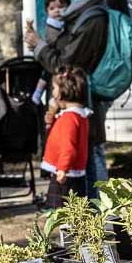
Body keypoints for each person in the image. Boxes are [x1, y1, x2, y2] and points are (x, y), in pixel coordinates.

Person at [24, 0, 127, 194]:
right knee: (90, 161)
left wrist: (39, 46)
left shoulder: (92, 18)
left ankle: (100, 221)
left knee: (88, 164)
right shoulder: (88, 13)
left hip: (84, 103)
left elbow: (65, 65)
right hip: (86, 102)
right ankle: (98, 221)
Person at [39, 69, 90, 209]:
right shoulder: (79, 116)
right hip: (73, 173)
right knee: (74, 212)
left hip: (65, 174)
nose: (52, 92)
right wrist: (51, 121)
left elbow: (68, 146)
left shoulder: (69, 118)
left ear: (64, 91)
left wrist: (62, 168)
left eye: (54, 88)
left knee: (64, 213)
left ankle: (67, 231)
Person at [31, 0, 72, 106]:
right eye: (52, 8)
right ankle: (38, 92)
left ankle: (39, 93)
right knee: (46, 74)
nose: (57, 11)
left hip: (56, 55)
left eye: (61, 7)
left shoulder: (65, 24)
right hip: (53, 54)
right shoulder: (53, 25)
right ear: (47, 11)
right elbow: (55, 42)